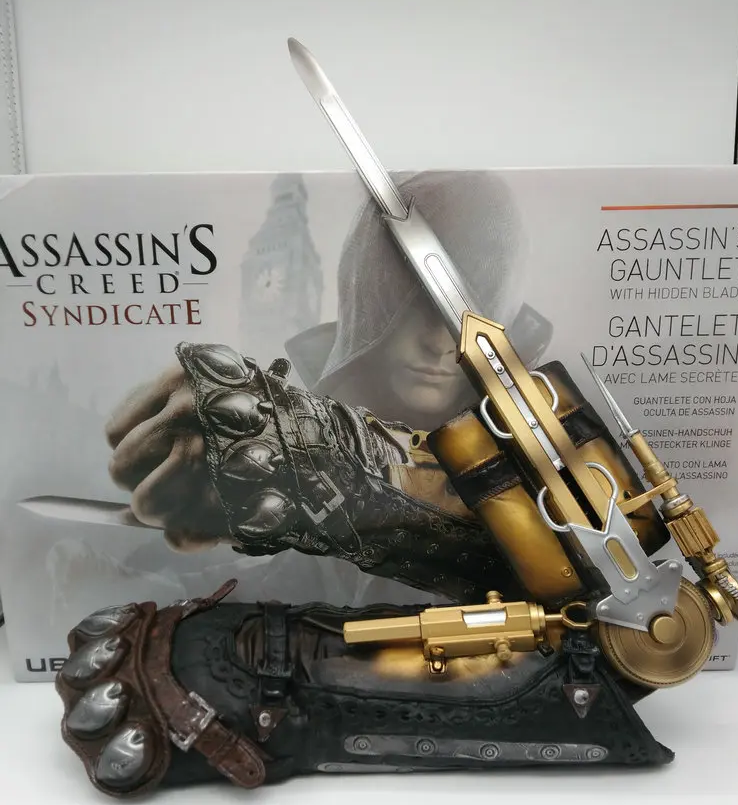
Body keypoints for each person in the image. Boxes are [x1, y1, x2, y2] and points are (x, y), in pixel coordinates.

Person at [106, 170, 551, 607]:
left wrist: (327, 451)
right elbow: (294, 585)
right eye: (414, 306)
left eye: (465, 311)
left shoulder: (549, 446)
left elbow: (548, 558)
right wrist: (139, 589)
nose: (439, 341)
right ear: (369, 304)